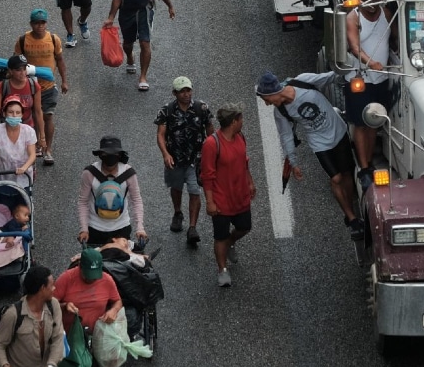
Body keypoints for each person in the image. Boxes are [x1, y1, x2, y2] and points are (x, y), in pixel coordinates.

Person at [256, 70, 364, 240]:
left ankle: (349, 208)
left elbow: (329, 78)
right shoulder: (280, 112)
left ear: (274, 92)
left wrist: (349, 74)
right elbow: (286, 136)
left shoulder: (302, 82)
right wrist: (293, 162)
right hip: (319, 143)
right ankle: (351, 218)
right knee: (335, 178)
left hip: (338, 131)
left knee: (347, 174)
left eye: (267, 100)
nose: (267, 104)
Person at [52, 248, 121, 367]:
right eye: (88, 276)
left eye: (95, 275)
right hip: (72, 335)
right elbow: (50, 303)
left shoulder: (106, 280)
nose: (92, 280)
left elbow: (117, 301)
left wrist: (113, 311)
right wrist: (66, 306)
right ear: (80, 268)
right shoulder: (66, 279)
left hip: (96, 333)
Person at [104, 0, 175, 91]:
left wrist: (170, 6)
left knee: (145, 43)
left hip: (145, 12)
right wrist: (111, 17)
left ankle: (143, 77)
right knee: (128, 44)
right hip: (127, 12)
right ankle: (130, 57)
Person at [200, 104, 255, 287]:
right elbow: (207, 175)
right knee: (220, 236)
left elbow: (244, 162)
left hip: (240, 196)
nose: (243, 122)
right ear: (233, 122)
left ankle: (230, 243)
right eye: (241, 119)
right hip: (221, 199)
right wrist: (210, 202)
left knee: (245, 227)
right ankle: (222, 269)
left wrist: (250, 182)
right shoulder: (211, 144)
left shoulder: (240, 137)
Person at [155, 76, 213, 246]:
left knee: (195, 191)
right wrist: (166, 154)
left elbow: (211, 132)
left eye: (188, 90)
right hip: (175, 158)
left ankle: (192, 227)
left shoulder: (201, 108)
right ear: (175, 93)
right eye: (182, 91)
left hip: (196, 159)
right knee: (176, 188)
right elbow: (161, 134)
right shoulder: (167, 110)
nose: (186, 94)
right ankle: (178, 212)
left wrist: (215, 154)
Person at [345, 0, 393, 180]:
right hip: (361, 78)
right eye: (368, 1)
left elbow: (397, 37)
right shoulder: (353, 18)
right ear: (361, 1)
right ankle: (363, 168)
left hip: (381, 78)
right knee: (360, 122)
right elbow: (355, 48)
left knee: (375, 119)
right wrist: (370, 62)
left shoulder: (388, 13)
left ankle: (370, 160)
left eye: (376, 1)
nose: (372, 5)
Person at [14, 8, 69, 164]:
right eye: (37, 23)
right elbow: (15, 62)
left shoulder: (53, 39)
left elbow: (60, 60)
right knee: (29, 118)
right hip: (28, 86)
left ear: (46, 23)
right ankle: (34, 146)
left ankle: (47, 149)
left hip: (48, 87)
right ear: (31, 24)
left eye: (43, 22)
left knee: (47, 116)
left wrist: (64, 80)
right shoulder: (23, 40)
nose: (40, 26)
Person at [77, 136, 147, 246]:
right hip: (94, 229)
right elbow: (83, 202)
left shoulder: (129, 173)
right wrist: (84, 229)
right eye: (106, 154)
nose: (109, 157)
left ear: (119, 155)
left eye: (113, 154)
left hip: (121, 228)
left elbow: (136, 200)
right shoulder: (89, 173)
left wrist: (140, 228)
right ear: (100, 155)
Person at [0, 94, 39, 188]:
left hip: (23, 179)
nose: (14, 115)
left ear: (22, 114)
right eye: (11, 112)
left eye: (17, 113)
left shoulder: (29, 131)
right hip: (1, 178)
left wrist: (24, 168)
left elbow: (32, 154)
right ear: (4, 113)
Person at [0, 55, 46, 135]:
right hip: (6, 131)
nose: (23, 73)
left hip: (28, 131)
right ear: (10, 71)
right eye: (18, 70)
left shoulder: (33, 86)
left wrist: (42, 136)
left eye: (24, 69)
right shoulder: (2, 86)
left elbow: (38, 112)